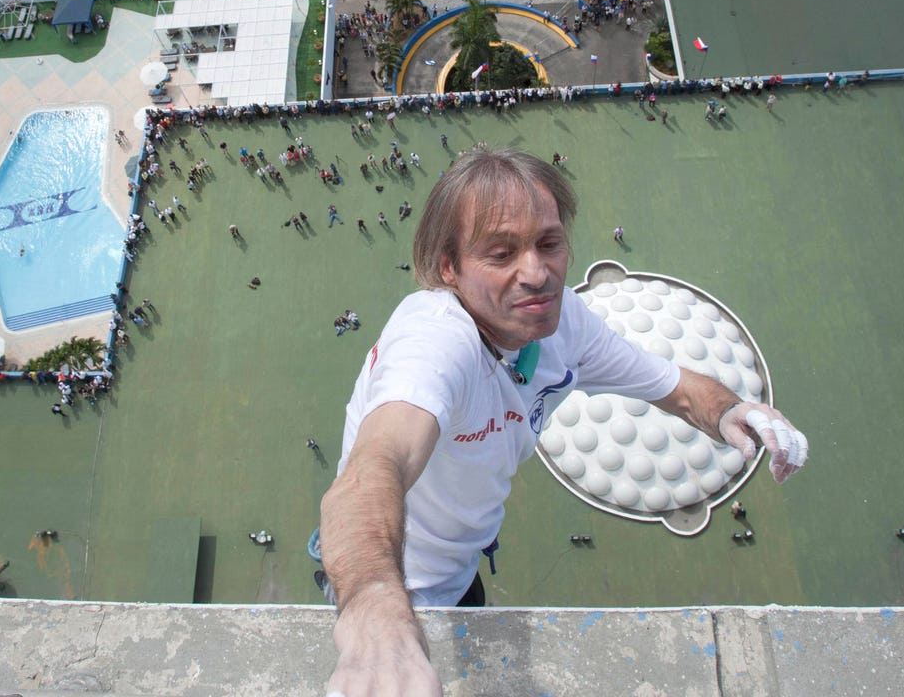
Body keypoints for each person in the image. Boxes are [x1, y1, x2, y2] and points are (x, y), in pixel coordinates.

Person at [318, 146, 807, 696]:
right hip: (397, 590)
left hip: (458, 571)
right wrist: (375, 617)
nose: (537, 273)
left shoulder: (563, 324)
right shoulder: (435, 341)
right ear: (448, 267)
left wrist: (733, 412)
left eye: (549, 244)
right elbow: (371, 470)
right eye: (500, 253)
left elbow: (674, 386)